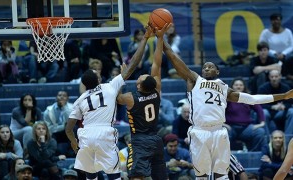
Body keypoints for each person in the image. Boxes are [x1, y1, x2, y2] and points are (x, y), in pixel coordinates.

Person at [163, 37, 293, 179]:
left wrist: (284, 96)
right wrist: (161, 39)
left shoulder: (225, 89)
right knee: (202, 174)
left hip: (219, 131)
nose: (206, 68)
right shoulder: (195, 80)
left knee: (222, 173)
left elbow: (253, 99)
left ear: (217, 72)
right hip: (200, 130)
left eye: (210, 66)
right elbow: (174, 58)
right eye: (204, 67)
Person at [65, 24, 155, 180]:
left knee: (90, 175)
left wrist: (73, 142)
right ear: (99, 80)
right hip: (104, 132)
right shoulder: (109, 86)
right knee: (114, 174)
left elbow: (68, 128)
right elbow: (134, 62)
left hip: (85, 133)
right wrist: (145, 38)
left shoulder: (80, 99)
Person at [116, 23, 171, 180]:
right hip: (156, 140)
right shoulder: (156, 91)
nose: (142, 75)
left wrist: (122, 78)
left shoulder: (130, 98)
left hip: (140, 141)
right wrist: (159, 38)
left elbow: (117, 98)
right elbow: (157, 62)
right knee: (160, 177)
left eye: (141, 77)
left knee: (136, 176)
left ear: (139, 85)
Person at [225, 77, 267, 151]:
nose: (238, 86)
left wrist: (262, 123)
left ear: (244, 87)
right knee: (223, 133)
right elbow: (218, 111)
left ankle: (252, 154)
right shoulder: (227, 98)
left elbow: (259, 109)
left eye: (241, 85)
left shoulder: (248, 98)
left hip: (246, 128)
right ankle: (227, 156)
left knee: (260, 132)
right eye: (236, 85)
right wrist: (224, 124)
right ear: (232, 86)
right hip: (231, 127)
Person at [258, 70, 293, 137]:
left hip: (281, 112)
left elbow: (290, 103)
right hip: (269, 112)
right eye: (272, 77)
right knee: (264, 112)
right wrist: (272, 107)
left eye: (276, 76)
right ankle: (267, 139)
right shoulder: (263, 88)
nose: (274, 79)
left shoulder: (286, 87)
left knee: (292, 111)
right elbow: (260, 104)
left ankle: (287, 138)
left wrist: (284, 106)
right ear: (269, 77)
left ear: (280, 77)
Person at [44, 90, 74, 157]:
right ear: (56, 97)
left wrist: (64, 107)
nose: (62, 97)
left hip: (69, 133)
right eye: (60, 95)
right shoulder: (48, 111)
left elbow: (70, 123)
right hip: (56, 134)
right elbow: (49, 128)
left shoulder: (73, 108)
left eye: (64, 96)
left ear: (68, 98)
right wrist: (63, 126)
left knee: (74, 128)